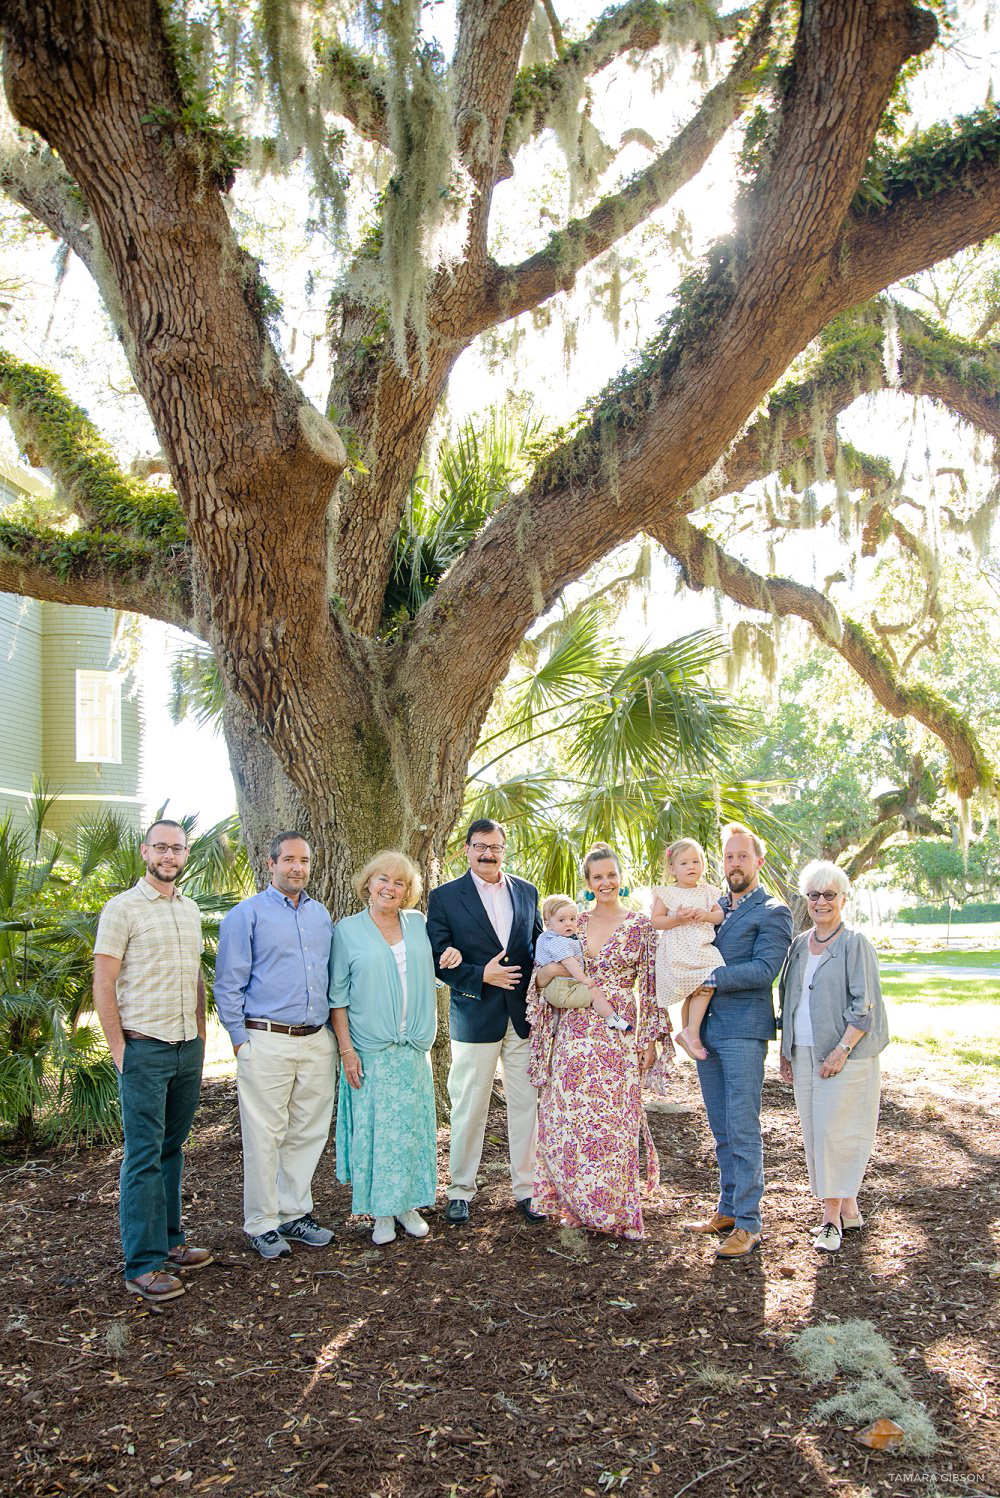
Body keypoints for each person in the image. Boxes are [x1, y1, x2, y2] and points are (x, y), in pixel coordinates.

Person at [92, 819, 212, 1303]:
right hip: (144, 1047)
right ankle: (142, 1265)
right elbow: (104, 982)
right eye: (160, 847)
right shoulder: (121, 909)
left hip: (187, 1046)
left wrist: (202, 1033)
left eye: (177, 848)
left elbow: (195, 977)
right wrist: (119, 1048)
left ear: (185, 855)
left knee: (172, 1148)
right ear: (146, 852)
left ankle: (171, 1242)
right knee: (143, 1155)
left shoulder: (189, 909)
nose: (169, 855)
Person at [528, 844, 668, 1239]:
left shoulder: (641, 925)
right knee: (569, 1118)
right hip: (574, 1029)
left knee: (614, 1121)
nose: (605, 882)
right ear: (587, 884)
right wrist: (558, 972)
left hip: (618, 1030)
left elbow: (652, 988)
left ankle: (616, 1212)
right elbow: (541, 977)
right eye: (597, 877)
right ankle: (576, 1206)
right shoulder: (573, 922)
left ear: (620, 878)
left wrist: (649, 1041)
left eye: (611, 875)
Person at [329, 850, 462, 1245]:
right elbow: (338, 998)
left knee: (411, 1132)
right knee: (377, 1133)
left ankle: (407, 1206)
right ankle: (381, 1213)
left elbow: (435, 969)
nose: (390, 887)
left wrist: (449, 957)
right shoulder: (347, 931)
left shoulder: (418, 924)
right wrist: (347, 1051)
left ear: (408, 892)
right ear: (368, 883)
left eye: (399, 882)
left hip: (412, 1051)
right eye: (383, 879)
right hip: (370, 1051)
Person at [215, 831, 337, 1260]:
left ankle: (294, 1212)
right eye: (288, 859)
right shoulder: (245, 915)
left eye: (303, 860)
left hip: (316, 1040)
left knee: (308, 1131)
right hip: (265, 1039)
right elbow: (227, 984)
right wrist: (240, 1042)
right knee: (265, 1135)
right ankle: (262, 1223)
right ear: (270, 864)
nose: (296, 867)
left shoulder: (321, 916)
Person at [426, 818, 543, 1226]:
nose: (488, 853)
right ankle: (460, 1190)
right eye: (480, 846)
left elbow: (539, 950)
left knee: (526, 1104)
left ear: (504, 849)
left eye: (495, 847)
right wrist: (480, 975)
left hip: (522, 1018)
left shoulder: (527, 892)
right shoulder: (444, 898)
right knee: (469, 1105)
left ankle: (527, 1189)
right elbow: (438, 955)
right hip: (474, 1015)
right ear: (467, 848)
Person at [686, 823, 792, 1259]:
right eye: (729, 857)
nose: (735, 864)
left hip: (744, 1031)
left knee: (743, 1127)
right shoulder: (712, 906)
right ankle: (727, 1209)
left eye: (743, 856)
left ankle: (749, 1223)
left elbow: (764, 969)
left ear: (758, 862)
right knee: (720, 1128)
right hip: (707, 1030)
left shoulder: (773, 911)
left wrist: (705, 976)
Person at [777, 860, 889, 1253]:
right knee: (814, 1131)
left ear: (842, 898)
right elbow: (789, 998)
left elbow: (865, 1005)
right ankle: (850, 1209)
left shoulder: (854, 943)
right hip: (805, 1050)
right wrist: (786, 1049)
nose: (821, 902)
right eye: (814, 895)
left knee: (836, 1133)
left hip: (846, 1053)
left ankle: (829, 1221)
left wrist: (842, 1050)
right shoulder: (798, 944)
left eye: (829, 895)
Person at [651, 838, 724, 1060]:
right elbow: (656, 921)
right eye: (684, 863)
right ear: (672, 868)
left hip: (701, 949)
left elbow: (719, 915)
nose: (691, 867)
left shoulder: (707, 892)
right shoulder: (668, 893)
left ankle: (688, 1034)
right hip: (678, 953)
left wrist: (707, 915)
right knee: (701, 987)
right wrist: (677, 918)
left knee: (704, 984)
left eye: (695, 861)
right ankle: (691, 1033)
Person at [535, 895, 631, 1032]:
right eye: (561, 920)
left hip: (555, 987)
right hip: (562, 988)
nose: (568, 924)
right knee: (595, 993)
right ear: (548, 924)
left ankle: (554, 1029)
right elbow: (569, 963)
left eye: (572, 919)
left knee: (557, 1011)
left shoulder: (549, 937)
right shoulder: (559, 942)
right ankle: (611, 1018)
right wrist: (584, 979)